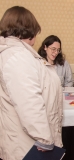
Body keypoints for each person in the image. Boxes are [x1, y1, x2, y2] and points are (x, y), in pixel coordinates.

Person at [0, 6, 63, 160]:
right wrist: (45, 139)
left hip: (23, 141)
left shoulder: (15, 53)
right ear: (29, 30)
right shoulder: (18, 57)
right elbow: (29, 102)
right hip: (27, 146)